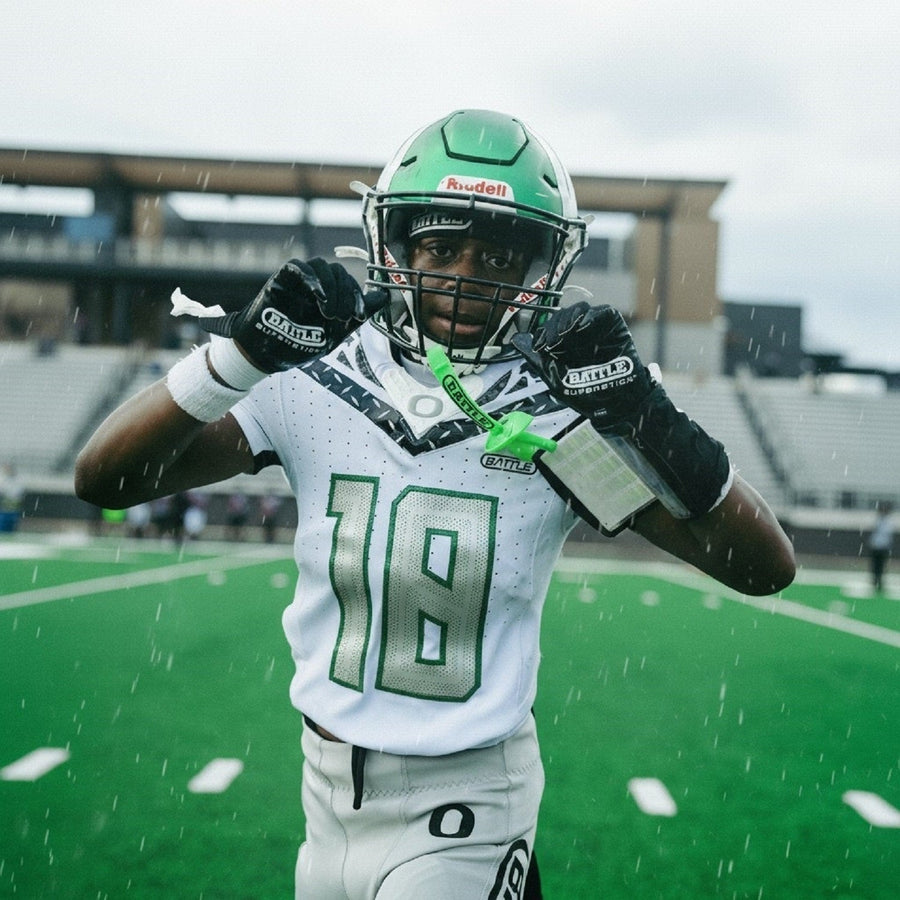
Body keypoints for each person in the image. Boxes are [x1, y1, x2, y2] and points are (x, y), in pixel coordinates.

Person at [74, 109, 795, 899]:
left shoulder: (555, 414)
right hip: (323, 795)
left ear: (539, 269)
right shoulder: (314, 374)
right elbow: (107, 481)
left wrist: (649, 421)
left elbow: (761, 568)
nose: (462, 276)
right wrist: (240, 350)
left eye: (496, 255)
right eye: (442, 246)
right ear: (396, 246)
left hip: (468, 802)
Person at [869, 502, 894, 593]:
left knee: (881, 566)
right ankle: (875, 581)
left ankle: (880, 582)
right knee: (875, 565)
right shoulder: (878, 520)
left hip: (883, 547)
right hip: (876, 546)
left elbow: (888, 535)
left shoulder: (888, 521)